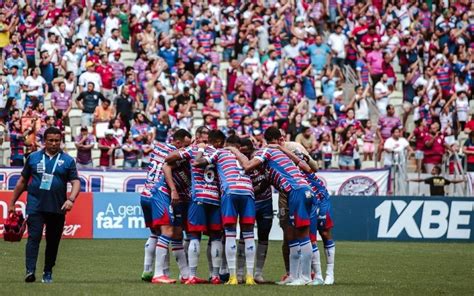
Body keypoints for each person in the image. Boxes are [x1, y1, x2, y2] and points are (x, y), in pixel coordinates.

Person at [228, 127, 314, 286]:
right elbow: (308, 169)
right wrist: (281, 148)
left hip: (296, 191)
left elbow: (247, 166)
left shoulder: (265, 151)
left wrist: (235, 151)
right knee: (294, 235)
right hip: (301, 190)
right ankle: (294, 276)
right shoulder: (281, 153)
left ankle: (306, 277)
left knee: (302, 235)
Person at [8, 127, 80, 283]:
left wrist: (71, 199)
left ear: (60, 141)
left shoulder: (68, 160)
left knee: (53, 242)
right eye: (50, 140)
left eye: (57, 141)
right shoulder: (33, 158)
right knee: (33, 238)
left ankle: (48, 271)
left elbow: (75, 182)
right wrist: (12, 202)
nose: (54, 143)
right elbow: (22, 181)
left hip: (58, 207)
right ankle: (30, 271)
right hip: (35, 205)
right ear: (44, 141)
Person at [193, 132, 256, 285]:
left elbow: (197, 162)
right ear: (239, 146)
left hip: (231, 191)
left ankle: (233, 277)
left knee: (230, 233)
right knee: (248, 235)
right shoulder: (243, 156)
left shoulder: (219, 152)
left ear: (226, 143)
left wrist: (201, 149)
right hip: (248, 192)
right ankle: (249, 277)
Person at [165, 128, 222, 285]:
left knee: (194, 236)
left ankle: (191, 275)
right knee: (216, 236)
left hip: (198, 198)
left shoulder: (193, 149)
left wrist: (184, 151)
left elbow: (169, 158)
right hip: (215, 198)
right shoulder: (217, 152)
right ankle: (215, 276)